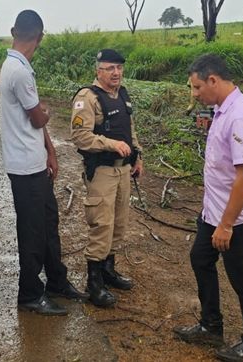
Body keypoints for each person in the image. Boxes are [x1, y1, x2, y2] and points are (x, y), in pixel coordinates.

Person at [175, 53, 243, 361]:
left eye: (197, 87)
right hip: (213, 211)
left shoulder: (239, 115)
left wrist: (226, 225)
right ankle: (211, 325)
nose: (195, 94)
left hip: (238, 216)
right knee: (200, 258)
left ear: (213, 80)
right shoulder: (221, 109)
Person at [0, 9, 88, 316]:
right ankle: (30, 294)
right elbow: (38, 117)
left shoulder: (16, 66)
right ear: (40, 37)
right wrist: (47, 112)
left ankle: (57, 281)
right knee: (33, 231)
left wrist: (50, 150)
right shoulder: (19, 72)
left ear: (13, 30)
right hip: (24, 168)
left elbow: (35, 122)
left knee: (49, 223)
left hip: (35, 163)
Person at [70, 48, 143, 307]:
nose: (116, 73)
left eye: (119, 68)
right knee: (102, 224)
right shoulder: (87, 98)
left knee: (119, 224)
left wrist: (137, 155)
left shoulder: (122, 94)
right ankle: (94, 282)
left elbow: (129, 128)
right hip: (101, 171)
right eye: (110, 68)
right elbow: (80, 137)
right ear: (98, 71)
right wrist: (110, 144)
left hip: (124, 170)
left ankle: (109, 271)